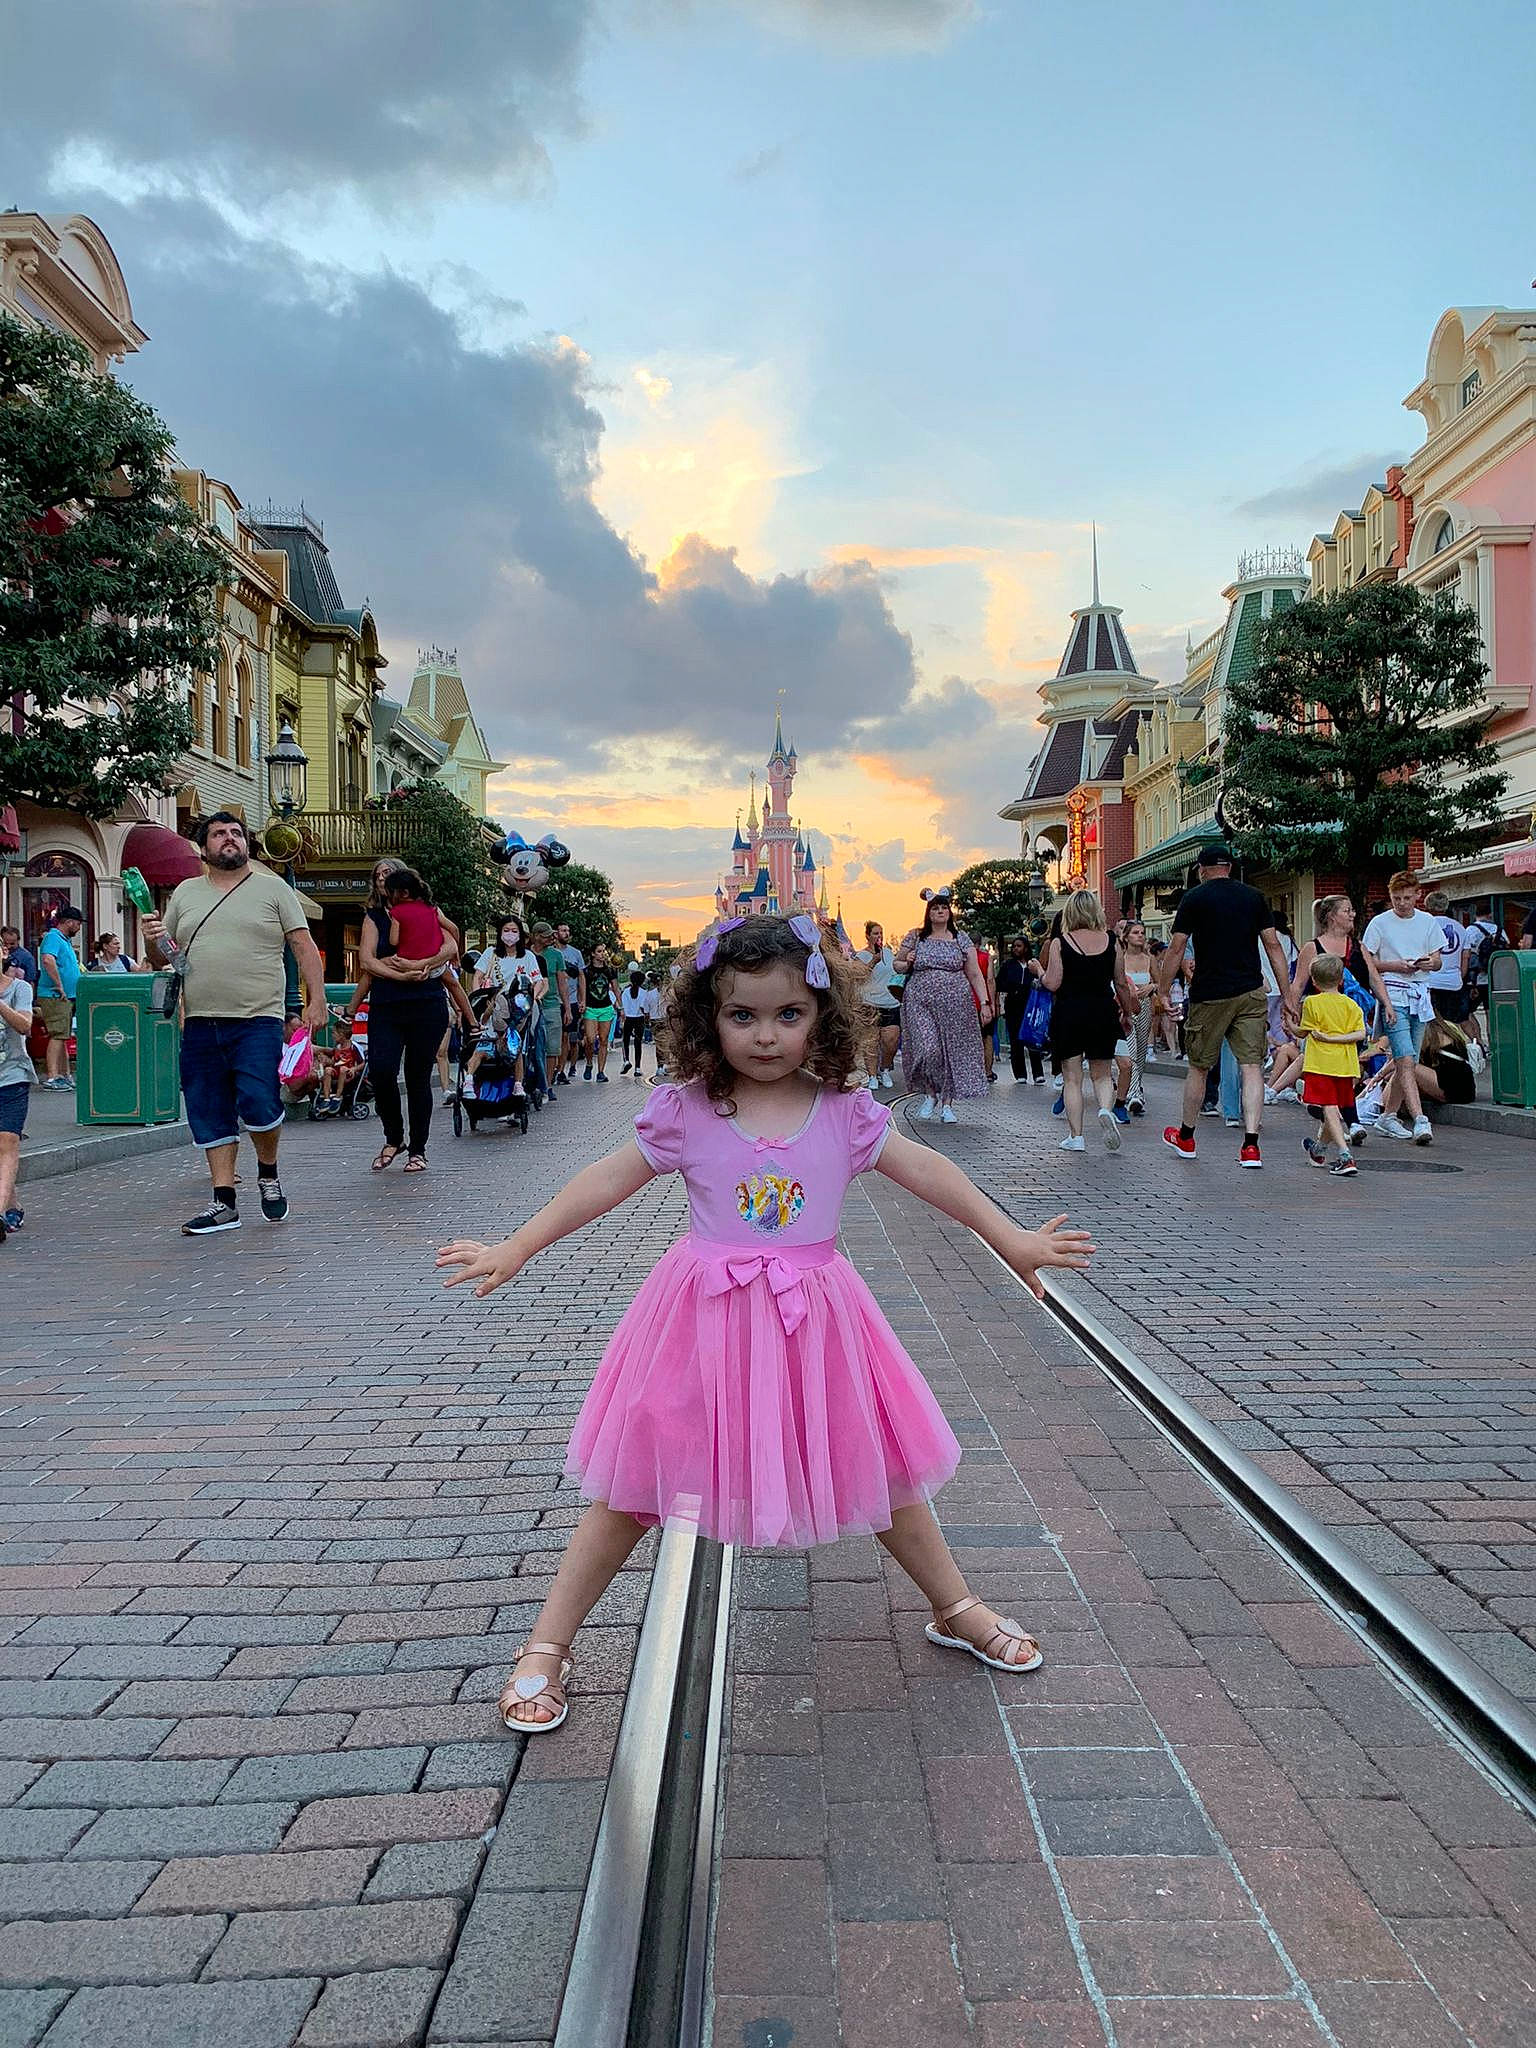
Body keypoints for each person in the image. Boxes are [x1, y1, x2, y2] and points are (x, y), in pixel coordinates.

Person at [436, 912, 1095, 1731]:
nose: (766, 1035)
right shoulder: (687, 1110)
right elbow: (607, 1178)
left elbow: (930, 1170)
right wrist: (521, 1244)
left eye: (788, 1014)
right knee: (635, 1486)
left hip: (815, 1323)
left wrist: (1012, 1239)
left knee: (878, 1466)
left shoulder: (847, 1112)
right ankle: (546, 1646)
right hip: (701, 1325)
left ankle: (956, 1607)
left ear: (822, 1016)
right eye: (742, 1015)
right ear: (708, 1020)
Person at [140, 813, 327, 1235]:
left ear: (247, 844)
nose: (229, 839)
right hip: (201, 1021)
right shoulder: (186, 893)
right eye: (219, 834)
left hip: (258, 1018)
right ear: (204, 847)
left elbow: (303, 946)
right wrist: (154, 940)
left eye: (236, 833)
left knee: (260, 1102)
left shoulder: (273, 889)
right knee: (208, 1109)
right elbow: (164, 959)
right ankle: (224, 1202)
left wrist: (316, 1002)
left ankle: (268, 1172)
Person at [1154, 845, 1295, 1168]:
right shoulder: (1255, 897)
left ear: (1202, 869)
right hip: (1250, 990)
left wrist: (1164, 989)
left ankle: (1187, 1137)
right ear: (1230, 867)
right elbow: (1273, 946)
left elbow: (1176, 948)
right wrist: (1287, 995)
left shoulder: (1194, 899)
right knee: (1252, 1067)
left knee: (1199, 1067)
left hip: (1210, 992)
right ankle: (1250, 1145)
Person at [355, 857, 459, 1176]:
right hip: (387, 1003)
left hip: (426, 1002)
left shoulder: (428, 909)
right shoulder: (374, 917)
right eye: (379, 875)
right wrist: (400, 975)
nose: (384, 878)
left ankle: (418, 1149)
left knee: (417, 1077)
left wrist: (421, 964)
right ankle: (394, 1137)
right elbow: (367, 960)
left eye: (389, 873)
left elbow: (451, 941)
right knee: (383, 1071)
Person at [1040, 891, 1138, 1153]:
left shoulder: (1061, 942)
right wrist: (1127, 1013)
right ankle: (1106, 1110)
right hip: (1103, 1011)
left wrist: (1037, 972)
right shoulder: (1112, 942)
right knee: (1103, 1074)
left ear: (1070, 912)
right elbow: (1120, 983)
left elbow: (1052, 983)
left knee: (1072, 1078)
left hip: (1070, 1013)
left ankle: (1076, 1136)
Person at [893, 887, 992, 1123]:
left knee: (952, 1051)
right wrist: (906, 961)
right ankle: (930, 1093)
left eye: (944, 907)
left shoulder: (960, 938)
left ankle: (947, 1103)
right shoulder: (916, 936)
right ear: (928, 913)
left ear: (950, 912)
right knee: (929, 1048)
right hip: (920, 1001)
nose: (940, 911)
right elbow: (897, 965)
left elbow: (975, 974)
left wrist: (986, 1002)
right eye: (935, 908)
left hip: (956, 1003)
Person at [1362, 872, 1442, 1145]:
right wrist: (1394, 966)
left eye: (1407, 898)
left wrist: (1430, 963)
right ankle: (1420, 1118)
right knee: (1406, 1058)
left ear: (1417, 895)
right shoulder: (1379, 924)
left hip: (1419, 994)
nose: (1402, 903)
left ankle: (1389, 1114)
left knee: (1406, 1060)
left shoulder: (1428, 922)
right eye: (1397, 898)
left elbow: (1438, 958)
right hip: (1392, 994)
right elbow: (1369, 962)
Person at [1297, 953, 1365, 1179]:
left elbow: (1303, 1032)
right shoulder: (1350, 1004)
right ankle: (1319, 1150)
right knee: (1333, 1108)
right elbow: (1360, 1033)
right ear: (1341, 980)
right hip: (1345, 1064)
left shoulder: (1312, 1003)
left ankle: (1345, 1155)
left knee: (1329, 1107)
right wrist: (1338, 1039)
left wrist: (1288, 1023)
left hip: (1321, 1064)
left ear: (1314, 982)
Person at [0, 941, 36, 1238]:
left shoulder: (19, 989)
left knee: (8, 1140)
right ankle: (11, 1205)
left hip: (12, 1075)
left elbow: (25, 1025)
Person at [36, 904, 83, 1090]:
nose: (79, 928)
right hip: (55, 994)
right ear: (69, 922)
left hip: (65, 995)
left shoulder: (64, 940)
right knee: (57, 1034)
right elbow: (48, 959)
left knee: (62, 1035)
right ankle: (52, 1076)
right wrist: (59, 985)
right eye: (77, 924)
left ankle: (64, 1074)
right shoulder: (53, 937)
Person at [855, 920, 901, 1088]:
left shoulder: (889, 953)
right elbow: (859, 977)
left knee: (891, 1040)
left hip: (890, 1002)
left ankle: (885, 1069)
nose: (879, 936)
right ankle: (872, 1075)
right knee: (871, 1041)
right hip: (869, 1003)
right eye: (875, 933)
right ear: (868, 936)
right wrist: (873, 961)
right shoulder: (861, 956)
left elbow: (897, 971)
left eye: (881, 933)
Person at [997, 936, 1047, 1084]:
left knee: (1032, 1039)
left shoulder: (1033, 964)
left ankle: (1038, 1073)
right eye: (1014, 946)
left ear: (1025, 947)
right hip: (1013, 1007)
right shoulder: (1008, 965)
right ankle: (1020, 1074)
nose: (1016, 949)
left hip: (1030, 1006)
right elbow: (1000, 983)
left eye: (1019, 946)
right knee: (1015, 1040)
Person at [1118, 921, 1155, 1112]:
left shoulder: (1150, 960)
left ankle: (1135, 1089)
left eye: (1142, 932)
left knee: (1140, 1051)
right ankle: (1134, 1095)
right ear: (1126, 937)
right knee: (1130, 1050)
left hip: (1146, 1006)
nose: (1140, 936)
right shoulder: (1120, 959)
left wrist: (1151, 987)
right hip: (1126, 1007)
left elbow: (1160, 982)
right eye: (1135, 933)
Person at [1423, 889, 1468, 1024]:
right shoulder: (1460, 928)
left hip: (1430, 982)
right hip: (1453, 983)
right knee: (1451, 1023)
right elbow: (1465, 958)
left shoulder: (1424, 925)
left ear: (1427, 906)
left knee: (1431, 1024)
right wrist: (1459, 977)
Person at [1414, 1015, 1477, 1106]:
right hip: (1465, 1090)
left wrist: (1384, 1075)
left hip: (1452, 1091)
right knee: (1403, 1071)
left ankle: (1388, 1108)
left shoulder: (1428, 1036)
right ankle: (1390, 1109)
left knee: (1406, 1067)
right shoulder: (1448, 1029)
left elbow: (1399, 1061)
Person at [555, 921, 586, 1082]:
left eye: (568, 930)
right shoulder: (551, 953)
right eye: (563, 930)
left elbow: (581, 976)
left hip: (572, 1001)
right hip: (555, 1001)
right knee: (556, 1037)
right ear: (556, 933)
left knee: (567, 1037)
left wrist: (582, 1000)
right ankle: (554, 1067)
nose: (566, 933)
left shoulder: (576, 953)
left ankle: (561, 1070)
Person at [582, 943, 616, 1082]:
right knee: (590, 1039)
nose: (602, 954)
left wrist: (620, 1006)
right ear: (593, 954)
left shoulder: (609, 971)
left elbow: (616, 988)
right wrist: (582, 1002)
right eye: (599, 951)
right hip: (590, 1008)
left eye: (604, 951)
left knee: (603, 1040)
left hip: (606, 1007)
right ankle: (589, 1063)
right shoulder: (585, 971)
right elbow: (582, 988)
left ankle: (601, 1072)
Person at [619, 966, 651, 1075]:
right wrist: (647, 1018)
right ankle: (637, 1068)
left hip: (628, 1019)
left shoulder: (625, 992)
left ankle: (626, 1060)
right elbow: (643, 1008)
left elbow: (622, 1007)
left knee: (625, 1041)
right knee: (638, 1043)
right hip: (639, 1019)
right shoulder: (644, 992)